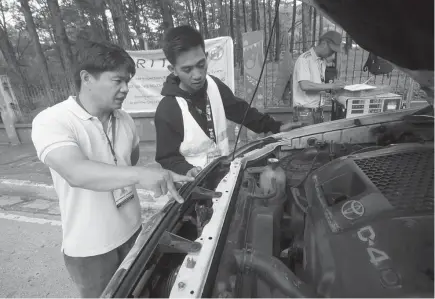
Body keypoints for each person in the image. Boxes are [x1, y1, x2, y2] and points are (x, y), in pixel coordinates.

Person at [31, 41, 193, 298]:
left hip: (135, 234)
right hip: (92, 249)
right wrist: (140, 175)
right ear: (87, 78)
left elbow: (130, 163)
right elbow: (76, 172)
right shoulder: (53, 120)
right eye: (118, 80)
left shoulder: (124, 119)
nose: (126, 89)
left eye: (128, 81)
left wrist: (157, 173)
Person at [154, 25, 302, 178]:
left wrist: (276, 126)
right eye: (187, 69)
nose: (197, 75)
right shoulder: (168, 109)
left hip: (223, 176)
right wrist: (186, 169)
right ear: (173, 69)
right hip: (193, 188)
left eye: (201, 64)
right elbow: (167, 158)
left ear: (206, 56)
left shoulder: (214, 85)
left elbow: (241, 111)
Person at [292, 30, 346, 125]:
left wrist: (331, 89)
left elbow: (317, 84)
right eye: (332, 50)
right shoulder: (304, 59)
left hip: (317, 111)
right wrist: (331, 86)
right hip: (305, 113)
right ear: (324, 43)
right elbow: (305, 85)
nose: (332, 54)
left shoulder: (321, 61)